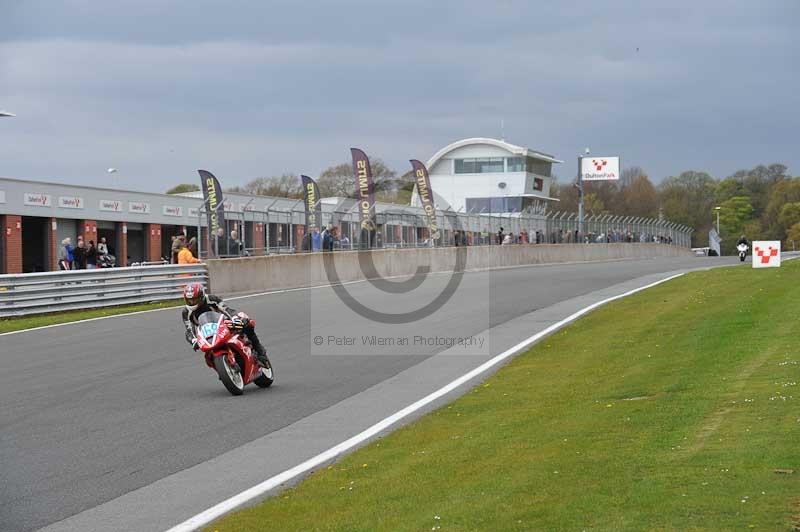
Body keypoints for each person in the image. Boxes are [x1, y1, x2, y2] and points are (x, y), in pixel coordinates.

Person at [181, 283, 269, 367]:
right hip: (206, 332)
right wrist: (194, 341)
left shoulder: (211, 299)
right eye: (189, 300)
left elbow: (227, 309)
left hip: (222, 323)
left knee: (246, 322)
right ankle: (221, 366)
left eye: (195, 299)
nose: (192, 302)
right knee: (206, 354)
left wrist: (235, 318)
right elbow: (189, 329)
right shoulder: (186, 312)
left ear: (201, 296)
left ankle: (260, 352)